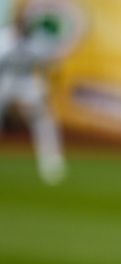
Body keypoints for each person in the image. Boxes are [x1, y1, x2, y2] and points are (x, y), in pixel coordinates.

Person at [0, 20, 66, 185]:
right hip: (5, 81)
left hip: (27, 82)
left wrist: (45, 90)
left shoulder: (38, 42)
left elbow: (48, 67)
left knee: (45, 121)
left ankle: (51, 164)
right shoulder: (3, 39)